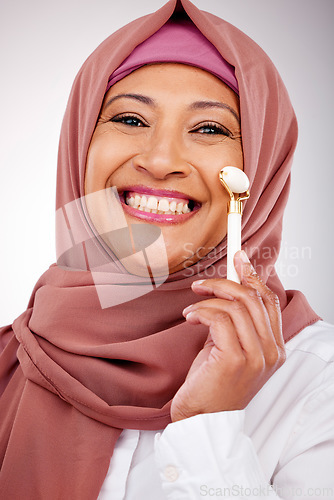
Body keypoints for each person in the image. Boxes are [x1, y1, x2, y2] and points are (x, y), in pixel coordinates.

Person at [0, 0, 333, 498]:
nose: (160, 160)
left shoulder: (317, 385)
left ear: (263, 167)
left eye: (209, 129)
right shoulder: (10, 360)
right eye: (130, 119)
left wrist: (209, 428)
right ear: (79, 147)